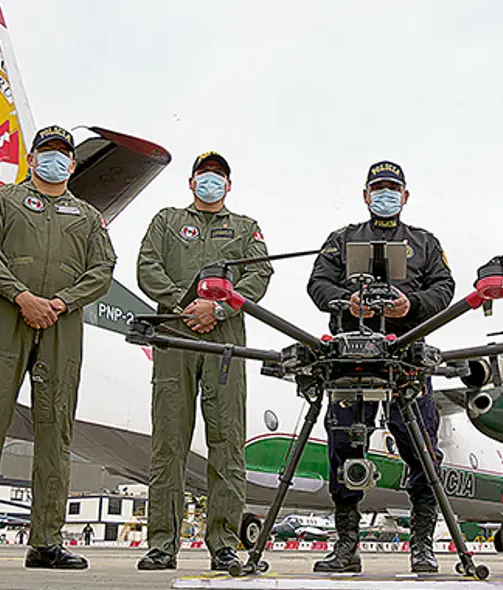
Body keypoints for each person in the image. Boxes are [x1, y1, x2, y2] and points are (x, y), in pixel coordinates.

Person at [0, 126, 116, 571]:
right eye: (45, 153)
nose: (54, 160)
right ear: (31, 160)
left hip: (62, 322)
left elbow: (102, 267)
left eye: (62, 155)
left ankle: (46, 541)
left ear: (72, 165)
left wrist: (62, 301)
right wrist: (20, 295)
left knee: (55, 429)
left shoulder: (88, 217)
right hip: (5, 315)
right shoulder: (2, 201)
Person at [307, 161, 455, 574]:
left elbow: (445, 288)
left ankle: (422, 546)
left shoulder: (425, 243)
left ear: (405, 196)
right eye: (378, 187)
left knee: (422, 448)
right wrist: (345, 301)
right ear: (366, 193)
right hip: (350, 356)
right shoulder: (341, 240)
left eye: (393, 188)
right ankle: (346, 546)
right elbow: (317, 283)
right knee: (344, 444)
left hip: (405, 354)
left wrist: (412, 305)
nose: (385, 194)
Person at [136, 152, 273, 572]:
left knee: (228, 444)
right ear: (191, 181)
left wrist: (218, 310)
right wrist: (185, 304)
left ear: (228, 186)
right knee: (168, 444)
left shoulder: (246, 228)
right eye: (204, 175)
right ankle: (162, 544)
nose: (210, 182)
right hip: (174, 337)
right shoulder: (167, 221)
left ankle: (224, 544)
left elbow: (260, 275)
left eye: (218, 177)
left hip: (226, 341)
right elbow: (147, 267)